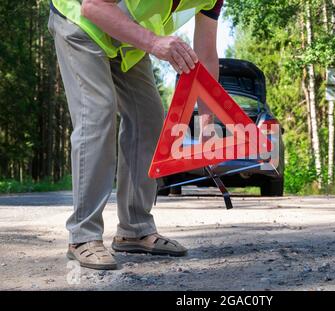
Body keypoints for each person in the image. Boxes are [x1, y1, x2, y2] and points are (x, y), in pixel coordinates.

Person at [47, 0, 223, 270]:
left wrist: (207, 125)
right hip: (80, 21)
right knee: (97, 112)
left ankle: (135, 229)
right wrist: (154, 43)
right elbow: (93, 6)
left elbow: (207, 55)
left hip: (127, 38)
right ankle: (83, 236)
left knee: (150, 120)